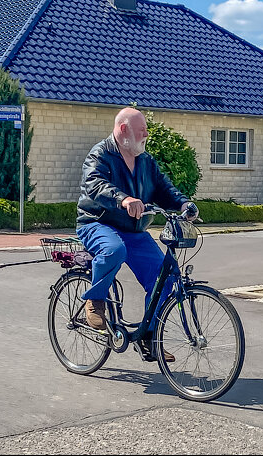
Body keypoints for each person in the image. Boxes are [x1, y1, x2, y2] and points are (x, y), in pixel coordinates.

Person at [76, 107, 198, 362]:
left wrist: (184, 204)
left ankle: (148, 337)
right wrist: (124, 199)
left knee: (165, 275)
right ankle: (95, 300)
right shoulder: (100, 154)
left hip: (133, 230)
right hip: (98, 223)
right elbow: (94, 184)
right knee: (114, 250)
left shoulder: (145, 160)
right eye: (141, 131)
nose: (146, 135)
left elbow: (164, 187)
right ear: (123, 130)